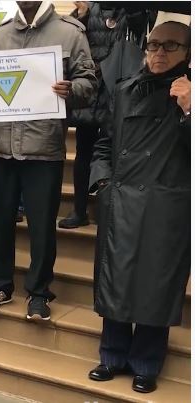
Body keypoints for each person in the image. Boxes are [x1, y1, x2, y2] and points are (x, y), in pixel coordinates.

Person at [0, 1, 95, 320]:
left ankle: (39, 292)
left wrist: (71, 89)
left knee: (41, 226)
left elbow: (90, 84)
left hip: (44, 146)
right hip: (0, 144)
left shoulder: (70, 33)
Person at [87, 21, 190, 394]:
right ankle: (112, 355)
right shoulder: (125, 90)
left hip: (166, 204)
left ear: (188, 53)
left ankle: (146, 361)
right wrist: (102, 184)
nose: (159, 52)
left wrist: (189, 109)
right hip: (120, 200)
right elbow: (104, 144)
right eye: (153, 44)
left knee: (154, 283)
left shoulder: (190, 95)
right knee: (116, 278)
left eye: (170, 46)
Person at [59, 1, 135, 229]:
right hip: (92, 88)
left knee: (117, 151)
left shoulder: (133, 9)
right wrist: (81, 15)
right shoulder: (89, 8)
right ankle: (79, 209)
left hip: (121, 85)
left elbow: (141, 31)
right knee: (84, 151)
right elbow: (73, 36)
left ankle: (111, 211)